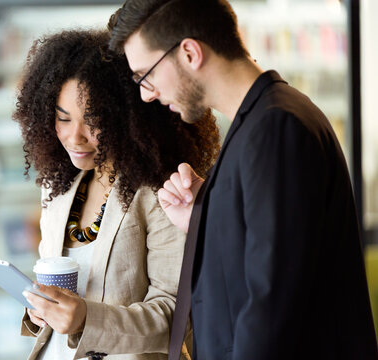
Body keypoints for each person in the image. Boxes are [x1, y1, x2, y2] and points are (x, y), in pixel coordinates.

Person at [107, 1, 378, 359]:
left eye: (147, 75)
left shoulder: (276, 126)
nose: (147, 93)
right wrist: (205, 217)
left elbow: (273, 297)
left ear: (189, 53)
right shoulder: (260, 122)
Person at [13, 29, 219, 360]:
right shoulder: (58, 186)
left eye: (92, 121)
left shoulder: (161, 192)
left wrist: (85, 319)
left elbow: (173, 317)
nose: (74, 137)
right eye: (62, 118)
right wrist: (40, 311)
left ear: (127, 118)